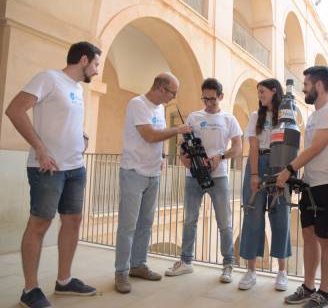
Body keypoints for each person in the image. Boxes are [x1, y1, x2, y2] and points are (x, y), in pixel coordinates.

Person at [5, 41, 102, 308]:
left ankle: (64, 280)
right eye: (95, 64)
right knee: (39, 224)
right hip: (47, 168)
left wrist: (81, 135)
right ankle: (30, 289)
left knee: (72, 221)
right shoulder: (49, 78)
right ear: (83, 60)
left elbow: (64, 120)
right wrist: (40, 148)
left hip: (75, 168)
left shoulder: (77, 89)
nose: (96, 70)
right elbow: (14, 109)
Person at [114, 72, 191, 293]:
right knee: (128, 226)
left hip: (152, 173)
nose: (172, 98)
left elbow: (158, 137)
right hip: (133, 171)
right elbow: (149, 135)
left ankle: (138, 265)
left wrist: (163, 157)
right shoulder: (138, 104)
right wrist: (177, 130)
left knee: (145, 224)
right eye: (172, 93)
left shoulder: (159, 108)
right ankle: (121, 272)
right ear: (160, 87)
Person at [165, 78, 242, 283]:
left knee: (224, 222)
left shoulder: (229, 119)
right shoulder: (193, 117)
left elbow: (237, 148)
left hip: (219, 177)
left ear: (221, 97)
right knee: (190, 220)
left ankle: (227, 265)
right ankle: (186, 262)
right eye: (205, 98)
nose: (208, 103)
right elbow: (183, 144)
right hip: (193, 177)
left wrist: (221, 157)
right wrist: (183, 158)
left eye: (212, 100)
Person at [278, 67, 328, 307]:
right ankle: (308, 286)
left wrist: (289, 169)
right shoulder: (314, 116)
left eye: (306, 84)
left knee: (326, 240)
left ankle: (324, 293)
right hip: (310, 184)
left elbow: (317, 148)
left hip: (327, 184)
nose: (303, 88)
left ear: (319, 86)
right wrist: (301, 176)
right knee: (308, 237)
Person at [238, 78, 292, 291]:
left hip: (280, 164)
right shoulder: (255, 116)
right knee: (253, 215)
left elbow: (291, 144)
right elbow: (252, 146)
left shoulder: (286, 115)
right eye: (258, 92)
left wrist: (287, 171)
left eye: (262, 91)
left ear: (274, 91)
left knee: (281, 216)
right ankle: (251, 271)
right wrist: (253, 174)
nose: (259, 95)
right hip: (258, 163)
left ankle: (282, 272)